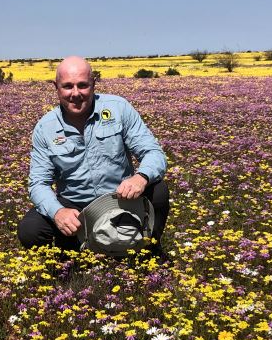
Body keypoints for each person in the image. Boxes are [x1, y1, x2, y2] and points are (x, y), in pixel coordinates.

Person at [17, 56, 170, 257]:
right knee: (30, 230)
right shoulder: (46, 128)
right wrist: (57, 212)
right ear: (56, 87)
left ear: (93, 84)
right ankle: (68, 262)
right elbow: (38, 183)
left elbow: (154, 153)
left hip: (121, 198)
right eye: (67, 86)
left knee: (158, 190)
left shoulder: (118, 108)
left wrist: (140, 178)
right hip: (75, 206)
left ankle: (148, 250)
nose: (75, 93)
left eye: (82, 85)